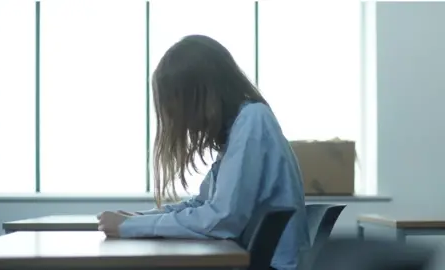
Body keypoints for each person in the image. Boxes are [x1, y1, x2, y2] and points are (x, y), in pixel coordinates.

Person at [97, 34, 310, 270]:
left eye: (177, 104)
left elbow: (221, 219)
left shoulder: (252, 120)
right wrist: (141, 219)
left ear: (200, 95)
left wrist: (131, 227)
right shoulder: (238, 127)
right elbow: (202, 203)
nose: (179, 119)